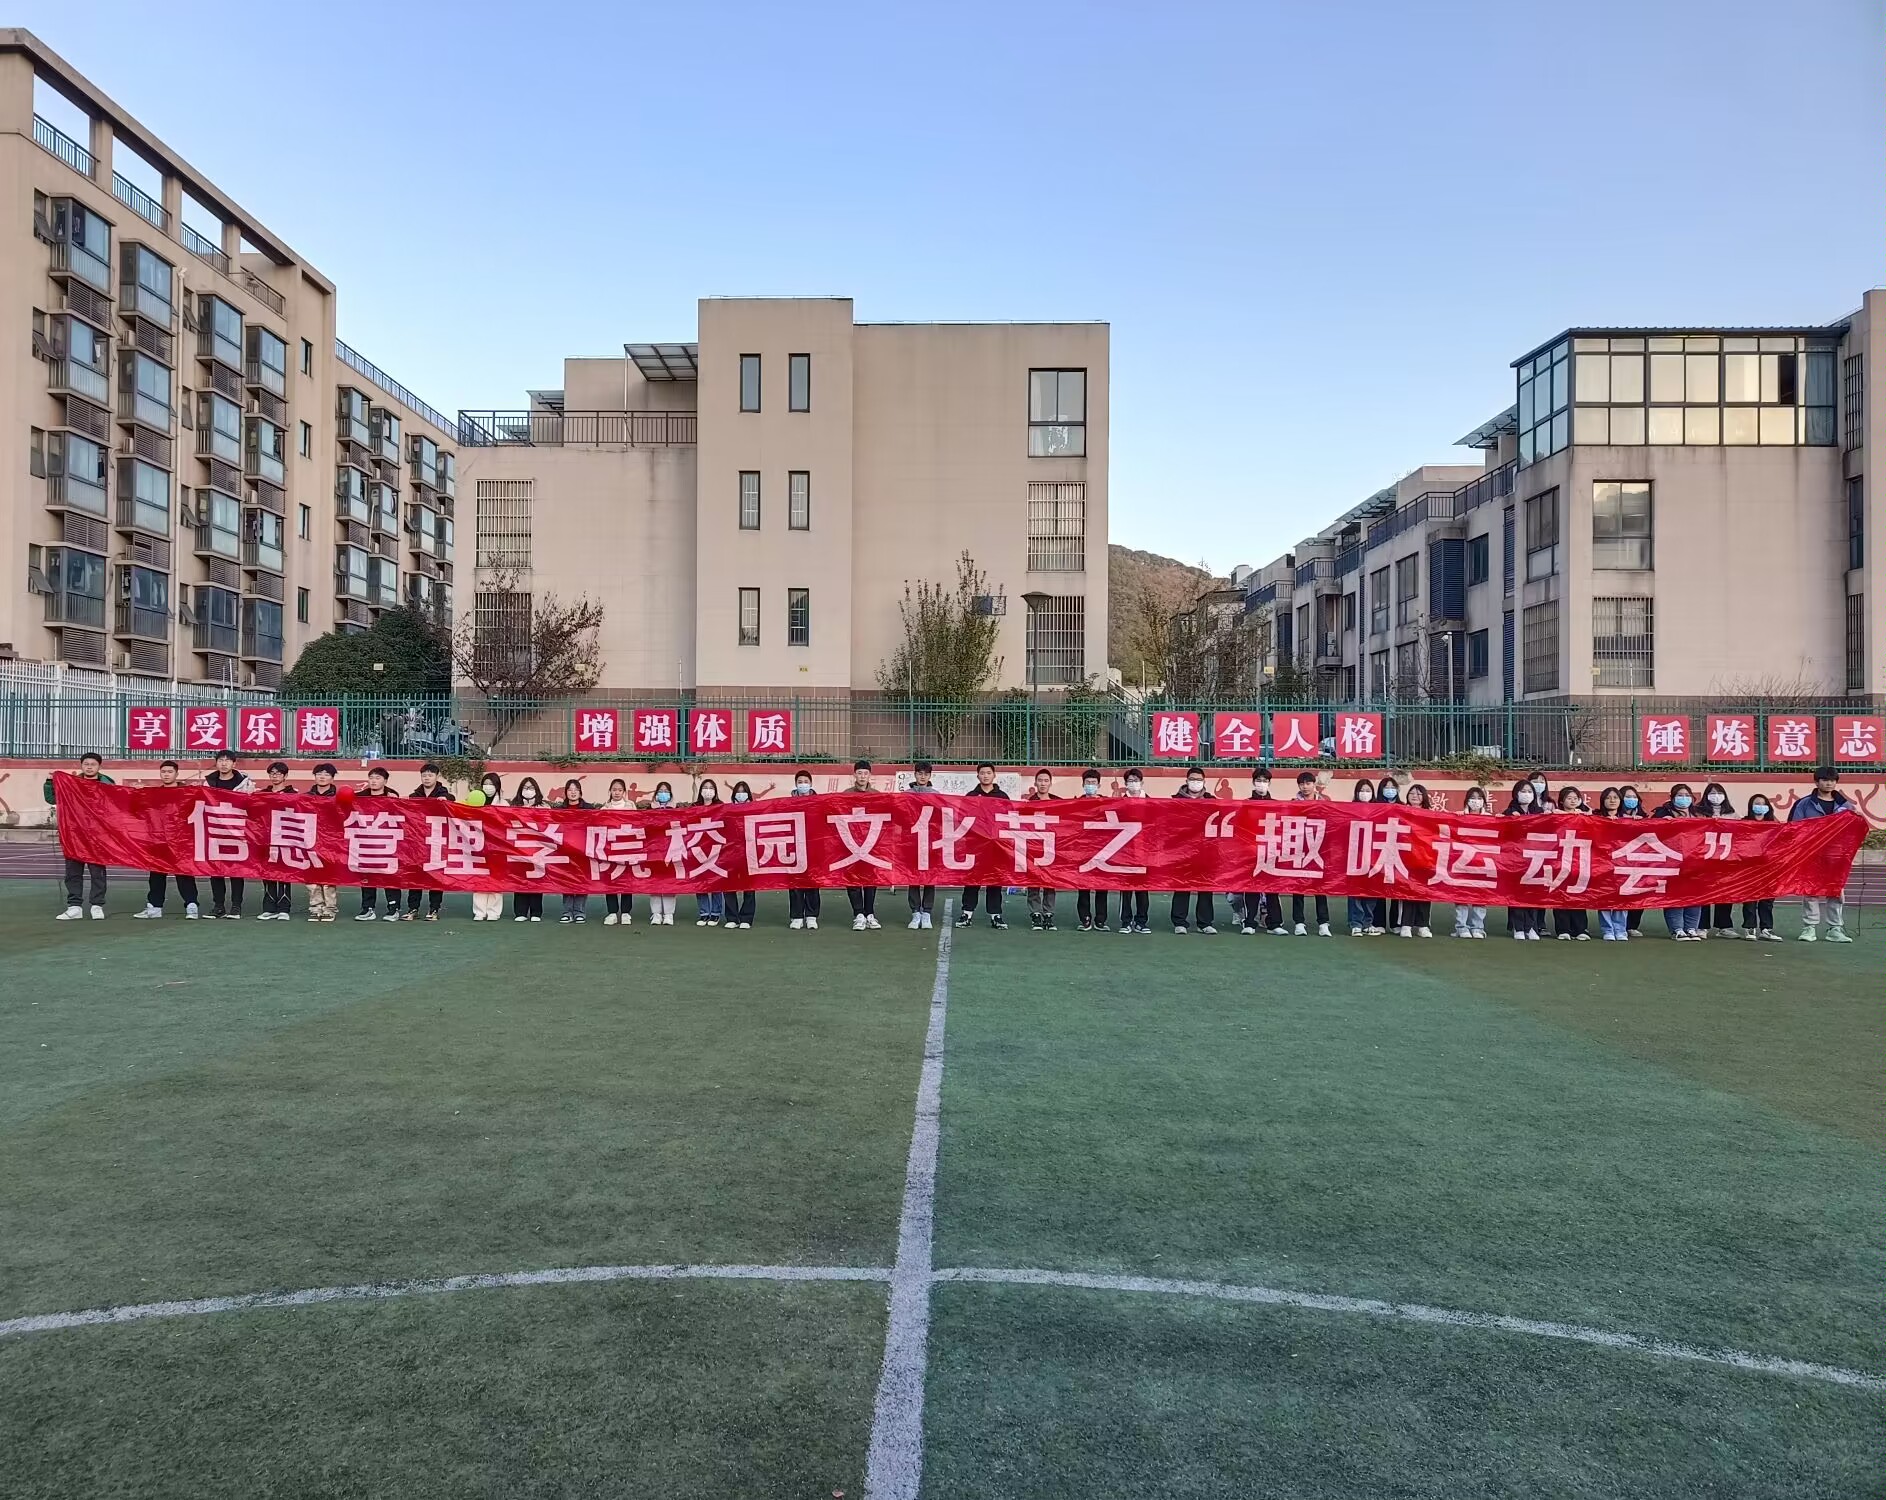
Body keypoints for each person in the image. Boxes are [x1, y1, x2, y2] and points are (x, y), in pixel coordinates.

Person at [1789, 766, 1854, 943]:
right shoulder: (1804, 804)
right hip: (1811, 854)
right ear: (1817, 782)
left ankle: (1835, 929)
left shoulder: (1846, 806)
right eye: (1825, 780)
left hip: (1837, 855)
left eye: (1832, 780)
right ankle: (1809, 928)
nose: (1829, 783)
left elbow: (1852, 829)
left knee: (1836, 890)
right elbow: (1794, 828)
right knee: (1811, 890)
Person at [48, 751, 115, 920]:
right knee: (73, 873)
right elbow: (51, 798)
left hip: (97, 837)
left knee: (98, 873)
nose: (89, 767)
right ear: (81, 765)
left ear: (99, 766)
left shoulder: (107, 784)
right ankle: (74, 906)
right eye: (86, 764)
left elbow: (115, 806)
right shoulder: (71, 783)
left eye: (93, 764)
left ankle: (97, 905)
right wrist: (50, 782)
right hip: (74, 835)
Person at [135, 760, 198, 920]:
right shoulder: (154, 794)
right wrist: (137, 793)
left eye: (170, 772)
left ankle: (191, 905)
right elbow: (140, 809)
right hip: (158, 840)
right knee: (156, 874)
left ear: (177, 774)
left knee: (184, 873)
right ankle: (155, 906)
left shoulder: (187, 793)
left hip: (180, 841)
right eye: (163, 772)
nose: (166, 775)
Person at [202, 750, 254, 919]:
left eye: (227, 760)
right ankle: (218, 906)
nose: (224, 763)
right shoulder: (208, 783)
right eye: (220, 760)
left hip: (237, 831)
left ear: (234, 763)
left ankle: (236, 906)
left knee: (236, 870)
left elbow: (252, 805)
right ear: (216, 763)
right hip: (214, 831)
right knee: (216, 870)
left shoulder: (245, 783)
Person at [958, 763, 1009, 929]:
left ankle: (996, 915)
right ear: (977, 776)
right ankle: (967, 913)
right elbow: (962, 818)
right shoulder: (971, 796)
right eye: (982, 773)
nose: (985, 776)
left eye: (988, 773)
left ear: (994, 775)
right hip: (975, 845)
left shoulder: (1002, 796)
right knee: (972, 880)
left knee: (995, 880)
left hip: (996, 846)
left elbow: (1009, 819)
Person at [1652, 782, 1704, 940]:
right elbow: (1650, 830)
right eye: (1680, 795)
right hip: (1671, 860)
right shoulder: (1662, 813)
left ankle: (1691, 928)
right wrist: (1662, 822)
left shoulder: (1698, 815)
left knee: (1695, 894)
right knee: (1675, 894)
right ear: (1672, 797)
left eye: (1687, 795)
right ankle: (1677, 929)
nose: (1684, 798)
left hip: (1695, 860)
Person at [403, 762, 454, 921]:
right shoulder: (414, 796)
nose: (427, 778)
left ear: (437, 777)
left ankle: (434, 909)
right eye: (424, 775)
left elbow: (452, 801)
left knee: (435, 876)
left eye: (430, 775)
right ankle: (413, 908)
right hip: (417, 841)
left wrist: (445, 800)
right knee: (415, 876)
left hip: (437, 840)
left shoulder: (444, 795)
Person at [1170, 766, 1217, 934]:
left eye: (1198, 780)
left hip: (1205, 850)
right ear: (1186, 781)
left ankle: (1205, 923)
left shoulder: (1212, 801)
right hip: (1182, 850)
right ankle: (1179, 922)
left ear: (1204, 782)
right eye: (1192, 779)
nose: (1195, 782)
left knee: (1205, 887)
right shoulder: (1175, 801)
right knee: (1182, 886)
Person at [1239, 768, 1283, 935]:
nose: (1261, 784)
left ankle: (1274, 924)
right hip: (1251, 851)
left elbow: (1281, 828)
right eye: (1259, 780)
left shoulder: (1276, 805)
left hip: (1271, 851)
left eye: (1265, 781)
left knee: (1272, 889)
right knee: (1251, 888)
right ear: (1253, 782)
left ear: (1269, 783)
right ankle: (1249, 922)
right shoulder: (1246, 804)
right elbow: (1240, 828)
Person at [354, 766, 400, 920]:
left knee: (390, 876)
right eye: (371, 778)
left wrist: (396, 802)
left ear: (385, 781)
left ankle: (393, 909)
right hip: (367, 842)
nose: (373, 781)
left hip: (387, 842)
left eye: (378, 778)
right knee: (367, 876)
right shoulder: (360, 797)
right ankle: (367, 909)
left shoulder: (392, 796)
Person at [1290, 770, 1332, 937]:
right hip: (1299, 848)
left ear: (1314, 785)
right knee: (1298, 887)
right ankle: (1299, 923)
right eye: (1302, 784)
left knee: (1320, 888)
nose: (1305, 787)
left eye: (1308, 783)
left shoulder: (1325, 803)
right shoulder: (1293, 803)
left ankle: (1323, 923)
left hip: (1319, 849)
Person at [1503, 777, 1546, 939]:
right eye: (1523, 791)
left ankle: (1531, 926)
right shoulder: (1509, 812)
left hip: (1536, 858)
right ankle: (1518, 927)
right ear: (1516, 794)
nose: (1526, 794)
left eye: (1529, 791)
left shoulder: (1539, 812)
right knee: (1517, 894)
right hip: (1515, 860)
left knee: (1532, 894)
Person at [843, 760, 881, 931]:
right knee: (852, 878)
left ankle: (870, 913)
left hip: (871, 842)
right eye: (859, 773)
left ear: (870, 775)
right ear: (854, 775)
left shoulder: (876, 795)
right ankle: (858, 914)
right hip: (850, 842)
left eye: (865, 773)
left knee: (871, 878)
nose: (862, 776)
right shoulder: (846, 795)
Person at [1549, 786, 1591, 940]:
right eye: (1569, 798)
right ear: (1562, 801)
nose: (1573, 801)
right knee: (1560, 893)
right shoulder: (1555, 815)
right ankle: (1563, 929)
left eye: (1575, 798)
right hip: (1559, 858)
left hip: (1579, 859)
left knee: (1578, 892)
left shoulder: (1584, 816)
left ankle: (1580, 929)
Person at [256, 760, 296, 921]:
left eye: (279, 773)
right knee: (267, 872)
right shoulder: (263, 794)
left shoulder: (293, 794)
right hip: (266, 838)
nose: (275, 776)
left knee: (285, 873)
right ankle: (269, 908)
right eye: (272, 773)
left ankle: (284, 908)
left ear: (285, 776)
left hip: (286, 837)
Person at [1697, 781, 1739, 935]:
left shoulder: (1732, 814)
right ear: (1706, 796)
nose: (1716, 796)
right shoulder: (1698, 812)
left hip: (1725, 859)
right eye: (1712, 793)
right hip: (1704, 858)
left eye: (1719, 793)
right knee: (1703, 892)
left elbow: (1741, 833)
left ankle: (1724, 926)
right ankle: (1702, 926)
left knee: (1725, 892)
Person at [1113, 769, 1151, 935]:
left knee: (1143, 889)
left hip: (1145, 851)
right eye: (1130, 780)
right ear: (1125, 783)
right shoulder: (1120, 803)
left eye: (1136, 780)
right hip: (1125, 851)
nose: (1133, 783)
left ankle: (1141, 922)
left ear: (1142, 782)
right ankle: (1126, 921)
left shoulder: (1152, 803)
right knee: (1126, 889)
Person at [1451, 785, 1492, 937]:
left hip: (1483, 862)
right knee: (1461, 894)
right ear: (1467, 800)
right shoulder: (1460, 817)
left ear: (1484, 801)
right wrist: (1455, 818)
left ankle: (1478, 927)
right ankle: (1461, 927)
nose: (1476, 801)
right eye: (1472, 798)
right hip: (1462, 861)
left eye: (1479, 798)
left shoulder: (1491, 818)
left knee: (1480, 895)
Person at [1073, 768, 1111, 932]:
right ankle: (1085, 919)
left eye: (1093, 783)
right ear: (1083, 785)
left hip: (1103, 850)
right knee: (1083, 887)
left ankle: (1100, 920)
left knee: (1102, 886)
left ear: (1099, 785)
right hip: (1082, 851)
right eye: (1087, 783)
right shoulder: (1076, 804)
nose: (1090, 785)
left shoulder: (1107, 804)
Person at [1023, 768, 1061, 931]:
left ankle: (1048, 914)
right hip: (1033, 847)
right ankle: (1035, 914)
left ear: (1050, 783)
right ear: (1035, 783)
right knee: (1033, 882)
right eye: (1040, 780)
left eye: (1046, 781)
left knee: (1049, 881)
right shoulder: (1028, 804)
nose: (1043, 783)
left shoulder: (1060, 803)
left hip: (1052, 848)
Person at [1741, 793, 1783, 941]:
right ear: (1751, 806)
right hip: (1749, 866)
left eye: (1763, 804)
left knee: (1767, 899)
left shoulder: (1774, 824)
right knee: (1750, 899)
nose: (1760, 806)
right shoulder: (1743, 823)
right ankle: (1749, 928)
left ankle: (1766, 929)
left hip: (1769, 866)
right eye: (1757, 803)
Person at [1396, 784, 1435, 937]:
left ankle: (1423, 925)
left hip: (1426, 858)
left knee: (1424, 892)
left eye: (1419, 794)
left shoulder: (1431, 814)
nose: (1415, 796)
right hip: (1406, 857)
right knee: (1407, 891)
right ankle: (1406, 924)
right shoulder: (1401, 811)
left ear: (1424, 796)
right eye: (1412, 793)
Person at [905, 763, 940, 929]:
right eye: (920, 773)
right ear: (915, 775)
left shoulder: (936, 795)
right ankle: (915, 912)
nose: (923, 776)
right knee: (912, 878)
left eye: (926, 774)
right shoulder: (906, 795)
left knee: (929, 878)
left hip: (930, 842)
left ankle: (927, 912)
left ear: (930, 776)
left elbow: (941, 819)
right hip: (911, 842)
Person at [598, 778, 637, 927]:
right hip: (610, 849)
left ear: (624, 792)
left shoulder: (631, 807)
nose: (617, 793)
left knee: (626, 880)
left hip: (627, 848)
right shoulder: (604, 809)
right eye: (614, 790)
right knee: (611, 880)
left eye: (620, 790)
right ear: (610, 791)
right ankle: (612, 912)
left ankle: (626, 912)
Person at [1347, 780, 1384, 936]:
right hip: (1354, 855)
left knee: (1371, 889)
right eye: (1362, 790)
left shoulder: (1379, 810)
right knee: (1355, 890)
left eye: (1368, 790)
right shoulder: (1349, 809)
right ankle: (1355, 923)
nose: (1365, 793)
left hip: (1374, 855)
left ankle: (1368, 922)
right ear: (1356, 793)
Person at [305, 763, 341, 922]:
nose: (322, 777)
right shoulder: (305, 797)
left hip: (331, 842)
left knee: (328, 876)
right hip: (309, 840)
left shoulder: (338, 797)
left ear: (332, 778)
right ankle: (315, 907)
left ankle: (330, 908)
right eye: (319, 774)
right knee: (311, 876)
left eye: (326, 774)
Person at [1592, 787, 1629, 941]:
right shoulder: (1595, 818)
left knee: (1622, 896)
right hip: (1601, 862)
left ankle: (1620, 929)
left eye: (1615, 797)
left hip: (1623, 862)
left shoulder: (1629, 819)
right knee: (1604, 895)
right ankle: (1607, 929)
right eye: (1608, 798)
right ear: (1603, 801)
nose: (1612, 800)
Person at [468, 773, 505, 922]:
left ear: (497, 786)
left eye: (491, 784)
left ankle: (494, 911)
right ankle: (479, 911)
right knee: (479, 878)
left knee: (496, 879)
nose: (488, 787)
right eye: (486, 783)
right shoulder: (475, 800)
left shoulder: (503, 803)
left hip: (497, 846)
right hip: (478, 845)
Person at [510, 777, 548, 922]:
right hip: (519, 848)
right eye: (525, 787)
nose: (528, 790)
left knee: (536, 879)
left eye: (531, 787)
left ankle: (536, 912)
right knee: (520, 879)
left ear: (536, 790)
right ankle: (520, 912)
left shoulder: (543, 806)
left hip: (538, 848)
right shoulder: (514, 806)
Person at [787, 771, 821, 930]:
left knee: (813, 881)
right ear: (795, 784)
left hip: (813, 846)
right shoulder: (788, 802)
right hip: (794, 845)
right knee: (795, 881)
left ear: (811, 783)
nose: (803, 784)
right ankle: (797, 916)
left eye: (805, 781)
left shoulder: (819, 802)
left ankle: (812, 916)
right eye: (800, 782)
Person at [692, 778, 726, 927]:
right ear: (700, 791)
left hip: (716, 848)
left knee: (715, 882)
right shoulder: (694, 807)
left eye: (711, 788)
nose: (708, 790)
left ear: (715, 791)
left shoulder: (720, 806)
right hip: (698, 848)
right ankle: (704, 912)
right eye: (705, 787)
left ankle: (716, 913)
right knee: (700, 882)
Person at [559, 777, 594, 923]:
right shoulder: (559, 810)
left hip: (583, 850)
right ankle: (567, 911)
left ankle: (579, 911)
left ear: (580, 792)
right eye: (570, 790)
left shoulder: (589, 809)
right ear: (566, 792)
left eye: (576, 790)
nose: (573, 792)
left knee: (581, 879)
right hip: (565, 850)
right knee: (566, 880)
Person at [1616, 784, 1648, 938]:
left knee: (1638, 892)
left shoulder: (1643, 817)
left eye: (1634, 797)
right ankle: (1618, 925)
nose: (1631, 799)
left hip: (1638, 860)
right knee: (1619, 892)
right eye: (1628, 797)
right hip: (1619, 858)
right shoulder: (1613, 816)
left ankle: (1632, 925)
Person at [1374, 776, 1406, 933]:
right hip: (1379, 850)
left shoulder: (1403, 807)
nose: (1390, 790)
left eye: (1393, 787)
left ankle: (1395, 923)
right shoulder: (1375, 806)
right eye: (1386, 787)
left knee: (1397, 887)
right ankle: (1378, 922)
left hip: (1398, 850)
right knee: (1378, 886)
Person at [725, 781, 757, 929]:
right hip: (730, 853)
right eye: (738, 791)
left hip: (749, 853)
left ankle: (746, 918)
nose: (741, 794)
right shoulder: (727, 810)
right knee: (729, 886)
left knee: (749, 886)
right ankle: (732, 917)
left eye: (743, 791)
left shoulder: (755, 809)